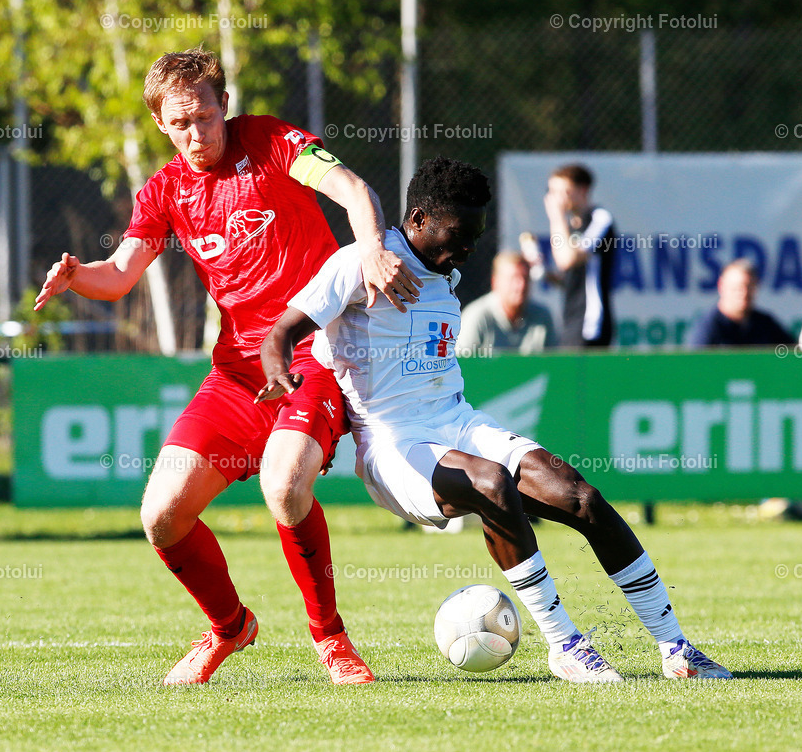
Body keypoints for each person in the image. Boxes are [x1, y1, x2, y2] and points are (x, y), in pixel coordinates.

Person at [34, 49, 423, 686]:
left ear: (224, 106)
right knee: (161, 514)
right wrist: (80, 278)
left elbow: (352, 188)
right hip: (239, 375)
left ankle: (330, 640)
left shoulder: (272, 142)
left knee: (284, 486)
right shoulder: (165, 190)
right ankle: (230, 628)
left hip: (314, 354)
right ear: (160, 122)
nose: (196, 133)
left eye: (206, 117)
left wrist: (373, 246)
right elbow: (123, 273)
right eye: (181, 123)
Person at [259, 157, 731, 683]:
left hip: (456, 421)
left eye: (476, 236)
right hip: (393, 445)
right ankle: (566, 645)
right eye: (459, 234)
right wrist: (283, 380)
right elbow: (279, 334)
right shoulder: (360, 263)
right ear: (418, 218)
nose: (468, 249)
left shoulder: (445, 273)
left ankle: (677, 649)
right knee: (491, 484)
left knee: (580, 496)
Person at [544, 164, 617, 348]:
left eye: (564, 192)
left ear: (582, 190)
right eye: (552, 192)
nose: (557, 199)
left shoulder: (600, 219)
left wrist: (556, 216)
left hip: (591, 325)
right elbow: (569, 277)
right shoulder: (571, 226)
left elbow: (567, 260)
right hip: (571, 320)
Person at [455, 252, 557, 356]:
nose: (521, 285)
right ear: (495, 282)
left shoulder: (542, 316)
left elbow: (554, 364)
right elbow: (463, 365)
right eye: (513, 278)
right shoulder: (476, 317)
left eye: (525, 278)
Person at [688, 259, 795, 347]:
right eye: (737, 287)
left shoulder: (766, 323)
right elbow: (695, 367)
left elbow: (794, 354)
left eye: (749, 287)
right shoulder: (707, 327)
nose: (744, 293)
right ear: (721, 286)